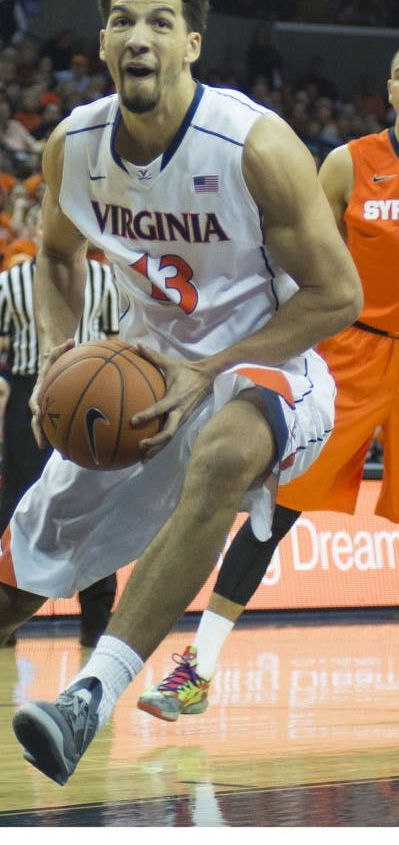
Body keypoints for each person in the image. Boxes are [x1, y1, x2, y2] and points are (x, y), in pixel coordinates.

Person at [0, 0, 361, 816]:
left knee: (225, 450)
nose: (139, 36)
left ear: (191, 45)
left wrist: (209, 367)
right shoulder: (75, 145)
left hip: (271, 363)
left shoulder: (254, 144)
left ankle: (89, 696)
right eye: (122, 20)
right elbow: (56, 255)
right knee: (6, 587)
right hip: (143, 372)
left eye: (161, 22)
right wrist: (61, 350)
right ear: (101, 41)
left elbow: (336, 296)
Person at [137, 46, 399, 721]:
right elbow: (300, 259)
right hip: (351, 346)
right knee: (271, 514)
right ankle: (197, 671)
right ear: (390, 87)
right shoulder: (349, 163)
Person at [0, 250, 121, 647]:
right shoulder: (10, 281)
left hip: (91, 394)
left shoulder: (105, 279)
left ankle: (97, 621)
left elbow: (115, 344)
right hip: (28, 393)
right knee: (16, 506)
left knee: (98, 505)